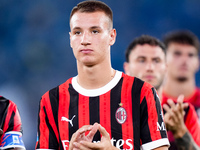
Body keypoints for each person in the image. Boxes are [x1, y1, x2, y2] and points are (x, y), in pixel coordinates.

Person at [35, 1, 169, 150]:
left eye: (95, 31)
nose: (85, 40)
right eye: (77, 32)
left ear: (112, 36)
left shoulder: (142, 93)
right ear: (70, 39)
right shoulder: (51, 101)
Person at [123, 34, 200, 149]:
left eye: (156, 60)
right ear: (127, 68)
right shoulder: (110, 108)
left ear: (166, 67)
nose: (150, 67)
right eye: (142, 60)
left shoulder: (183, 112)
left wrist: (180, 132)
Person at [162, 30, 200, 149]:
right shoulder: (149, 102)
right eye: (177, 54)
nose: (184, 60)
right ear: (163, 59)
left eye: (190, 55)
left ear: (197, 62)